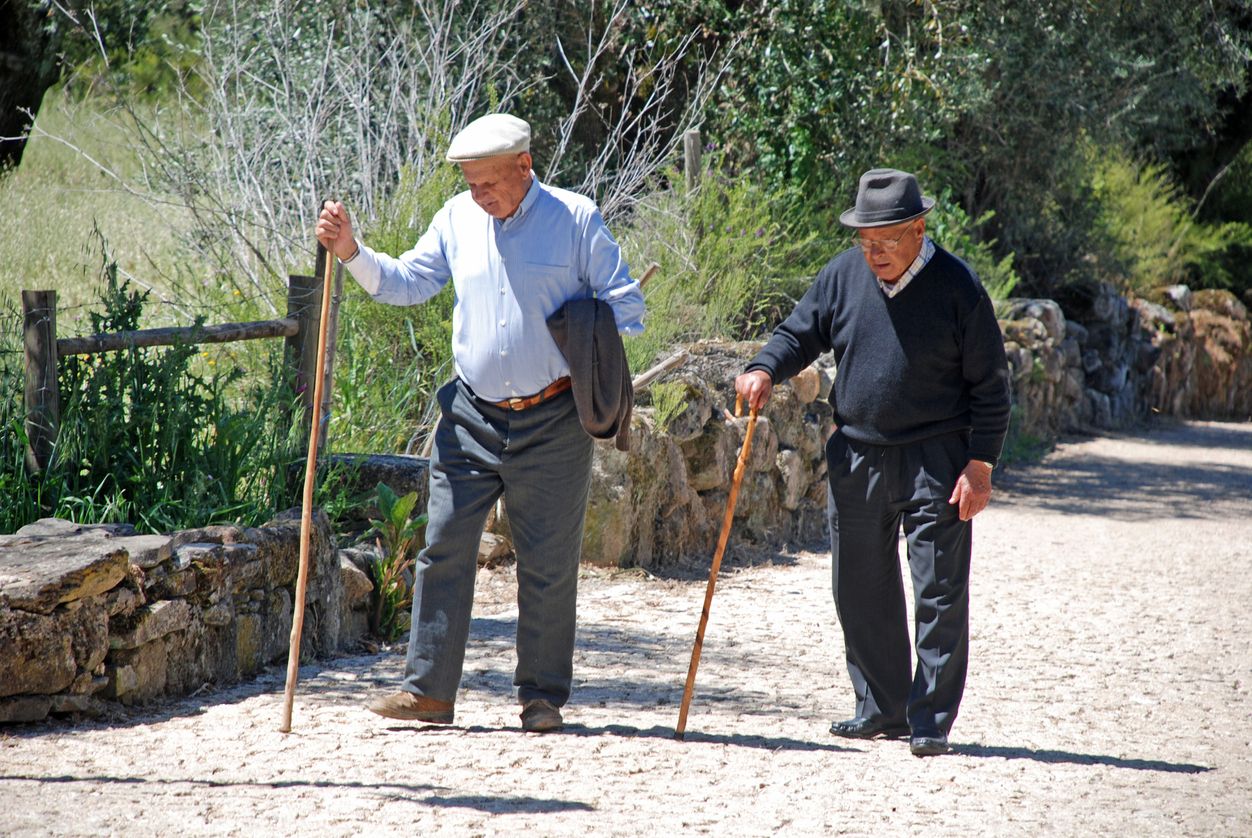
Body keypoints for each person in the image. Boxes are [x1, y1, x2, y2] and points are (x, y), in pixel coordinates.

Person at [316, 113, 645, 733]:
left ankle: (542, 698)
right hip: (468, 415)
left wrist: (593, 336)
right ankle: (429, 694)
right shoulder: (456, 218)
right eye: (470, 184)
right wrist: (351, 252)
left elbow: (626, 302)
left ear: (525, 166)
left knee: (547, 563)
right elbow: (408, 282)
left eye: (488, 183)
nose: (478, 196)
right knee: (442, 546)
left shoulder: (576, 220)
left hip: (554, 418)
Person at [735, 168, 1010, 757]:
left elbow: (991, 385)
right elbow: (798, 332)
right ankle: (882, 707)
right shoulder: (842, 276)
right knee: (859, 586)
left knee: (938, 588)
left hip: (937, 458)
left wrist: (980, 466)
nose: (874, 252)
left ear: (919, 228)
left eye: (886, 240)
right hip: (856, 453)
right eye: (866, 240)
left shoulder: (958, 287)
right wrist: (763, 367)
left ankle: (930, 718)